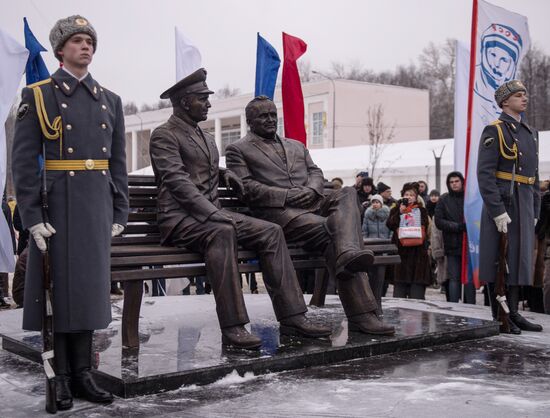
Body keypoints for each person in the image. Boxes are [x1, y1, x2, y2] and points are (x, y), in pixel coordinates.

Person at [149, 70, 331, 350]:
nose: (208, 104)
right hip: (181, 219)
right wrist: (211, 213)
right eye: (203, 99)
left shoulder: (205, 136)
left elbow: (199, 168)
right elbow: (176, 180)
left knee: (271, 231)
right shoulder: (164, 135)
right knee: (221, 231)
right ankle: (233, 326)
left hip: (210, 214)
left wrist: (224, 175)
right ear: (185, 102)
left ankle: (293, 316)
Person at [12, 16, 129, 410]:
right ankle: (61, 377)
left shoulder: (109, 99)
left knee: (90, 294)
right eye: (77, 41)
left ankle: (83, 374)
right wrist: (30, 217)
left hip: (95, 205)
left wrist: (120, 209)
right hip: (57, 207)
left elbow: (118, 163)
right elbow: (25, 163)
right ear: (60, 50)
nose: (85, 47)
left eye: (89, 41)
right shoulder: (39, 95)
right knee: (58, 295)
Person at [226, 96, 394, 335]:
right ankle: (362, 314)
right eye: (263, 116)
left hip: (311, 202)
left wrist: (313, 189)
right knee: (333, 234)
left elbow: (315, 171)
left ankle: (348, 253)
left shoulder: (296, 145)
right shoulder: (238, 149)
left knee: (346, 192)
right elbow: (247, 188)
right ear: (250, 121)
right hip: (278, 215)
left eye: (273, 114)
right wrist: (287, 196)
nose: (270, 119)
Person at [477, 79, 542, 333]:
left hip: (523, 201)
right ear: (505, 102)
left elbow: (533, 176)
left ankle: (514, 312)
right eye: (518, 95)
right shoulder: (495, 130)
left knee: (519, 259)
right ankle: (501, 315)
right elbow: (485, 174)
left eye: (525, 94)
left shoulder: (530, 132)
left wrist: (534, 210)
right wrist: (497, 210)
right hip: (504, 201)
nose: (524, 98)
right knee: (499, 258)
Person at [434, 172, 475, 304]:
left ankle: (471, 305)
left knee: (469, 278)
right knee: (454, 278)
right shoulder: (444, 199)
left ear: (462, 182)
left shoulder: (469, 198)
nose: (454, 184)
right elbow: (439, 221)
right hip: (452, 244)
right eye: (451, 182)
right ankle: (453, 306)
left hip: (469, 244)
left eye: (456, 181)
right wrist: (457, 227)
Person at [386, 182, 432, 299]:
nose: (409, 197)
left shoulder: (421, 210)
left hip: (418, 254)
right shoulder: (396, 209)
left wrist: (411, 213)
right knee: (399, 295)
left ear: (416, 197)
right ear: (403, 196)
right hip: (401, 253)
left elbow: (424, 226)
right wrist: (401, 212)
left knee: (417, 296)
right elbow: (390, 224)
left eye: (412, 195)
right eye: (407, 194)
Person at [362, 194, 391, 316]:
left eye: (377, 202)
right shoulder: (368, 215)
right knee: (371, 272)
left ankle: (381, 295)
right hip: (372, 246)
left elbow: (391, 230)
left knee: (383, 274)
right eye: (373, 202)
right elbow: (364, 231)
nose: (375, 204)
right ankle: (371, 297)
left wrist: (389, 241)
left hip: (384, 246)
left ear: (381, 203)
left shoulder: (387, 214)